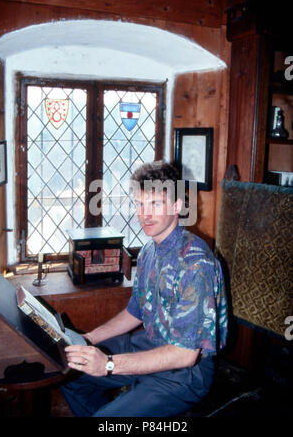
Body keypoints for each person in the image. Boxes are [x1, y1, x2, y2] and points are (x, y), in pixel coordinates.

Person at [61, 160, 228, 417]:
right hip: (149, 344)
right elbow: (135, 311)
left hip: (183, 373)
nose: (144, 214)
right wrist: (89, 338)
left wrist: (107, 364)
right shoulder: (150, 249)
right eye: (140, 204)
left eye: (155, 204)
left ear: (177, 206)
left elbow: (185, 355)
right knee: (71, 376)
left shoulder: (197, 265)